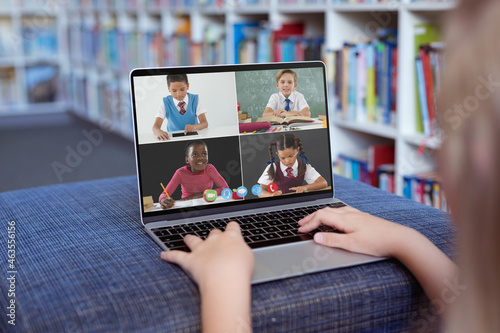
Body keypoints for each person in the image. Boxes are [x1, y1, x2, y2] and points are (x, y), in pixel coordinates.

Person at [162, 0, 500, 331]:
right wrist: (407, 240)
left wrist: (223, 285)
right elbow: (471, 301)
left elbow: (299, 164)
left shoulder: (298, 149)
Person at [159, 140, 228, 209]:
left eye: (204, 154)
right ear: (187, 160)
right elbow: (164, 194)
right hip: (187, 206)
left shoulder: (209, 169)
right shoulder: (180, 173)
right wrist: (163, 200)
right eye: (195, 154)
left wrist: (199, 195)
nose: (200, 158)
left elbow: (226, 189)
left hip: (206, 203)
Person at [257, 133, 328, 197]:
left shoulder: (304, 167)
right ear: (277, 154)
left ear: (297, 150)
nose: (287, 161)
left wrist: (305, 187)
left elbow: (323, 183)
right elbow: (260, 191)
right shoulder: (273, 167)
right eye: (283, 158)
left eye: (291, 156)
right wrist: (271, 195)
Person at [152, 74, 208, 141]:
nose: (179, 94)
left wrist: (194, 127)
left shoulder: (195, 99)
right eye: (174, 91)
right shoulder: (165, 102)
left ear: (187, 86)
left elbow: (204, 123)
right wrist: (159, 132)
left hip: (193, 137)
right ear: (169, 89)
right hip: (173, 139)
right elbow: (155, 127)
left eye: (182, 89)